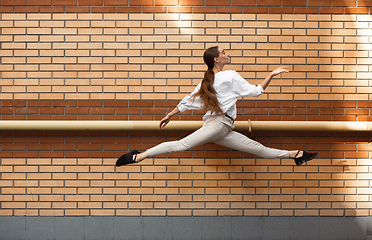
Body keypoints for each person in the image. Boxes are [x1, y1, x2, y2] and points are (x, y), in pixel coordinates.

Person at [116, 46, 317, 167]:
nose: (227, 54)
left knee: (260, 150)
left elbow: (189, 101)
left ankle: (296, 155)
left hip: (223, 127)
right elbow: (256, 91)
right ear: (216, 59)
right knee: (181, 145)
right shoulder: (229, 75)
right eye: (223, 52)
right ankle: (138, 157)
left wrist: (170, 114)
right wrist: (271, 76)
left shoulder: (209, 80)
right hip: (218, 125)